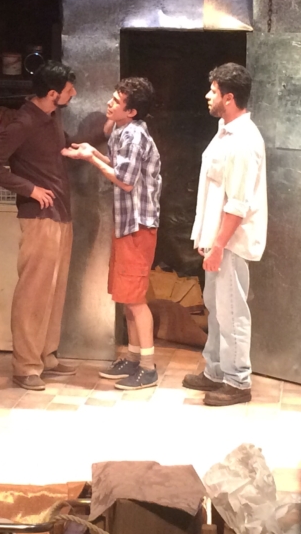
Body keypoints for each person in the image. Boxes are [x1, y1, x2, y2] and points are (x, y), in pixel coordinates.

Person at [0, 60, 77, 392]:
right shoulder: (24, 122)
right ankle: (25, 365)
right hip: (39, 217)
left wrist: (101, 133)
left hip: (60, 214)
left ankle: (46, 355)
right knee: (33, 293)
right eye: (68, 89)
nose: (74, 93)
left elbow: (64, 146)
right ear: (52, 93)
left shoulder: (50, 118)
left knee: (53, 290)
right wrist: (29, 189)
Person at [63, 77, 162, 390]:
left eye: (117, 101)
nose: (109, 103)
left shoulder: (134, 135)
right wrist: (93, 152)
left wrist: (91, 158)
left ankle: (147, 367)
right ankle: (133, 358)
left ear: (131, 111)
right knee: (126, 295)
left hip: (138, 225)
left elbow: (125, 181)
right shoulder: (122, 130)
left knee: (135, 298)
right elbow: (119, 167)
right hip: (126, 223)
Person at [182, 63, 267, 406]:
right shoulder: (224, 132)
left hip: (230, 242)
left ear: (229, 98)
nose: (208, 96)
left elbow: (238, 203)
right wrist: (204, 237)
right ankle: (216, 370)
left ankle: (237, 381)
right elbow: (214, 190)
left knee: (232, 311)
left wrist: (218, 245)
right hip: (217, 240)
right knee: (216, 308)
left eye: (214, 91)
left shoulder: (244, 140)